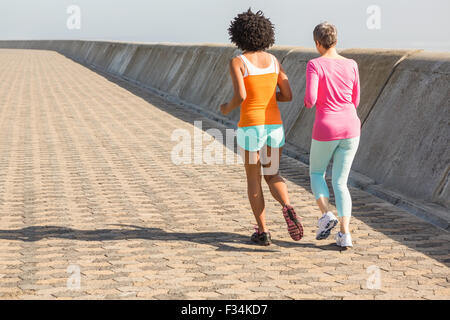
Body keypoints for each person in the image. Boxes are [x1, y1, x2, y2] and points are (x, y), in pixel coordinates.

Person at [220, 9, 303, 246]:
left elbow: (241, 96)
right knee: (272, 174)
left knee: (253, 180)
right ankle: (287, 206)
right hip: (275, 127)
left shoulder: (238, 61)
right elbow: (287, 95)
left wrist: (226, 107)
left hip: (251, 127)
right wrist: (268, 96)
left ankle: (263, 232)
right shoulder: (274, 61)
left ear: (238, 35)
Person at [304, 22, 361, 248]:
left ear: (317, 43)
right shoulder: (352, 64)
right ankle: (345, 234)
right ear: (336, 41)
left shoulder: (314, 65)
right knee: (341, 182)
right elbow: (355, 99)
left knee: (317, 172)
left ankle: (326, 214)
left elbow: (310, 99)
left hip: (326, 127)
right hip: (351, 127)